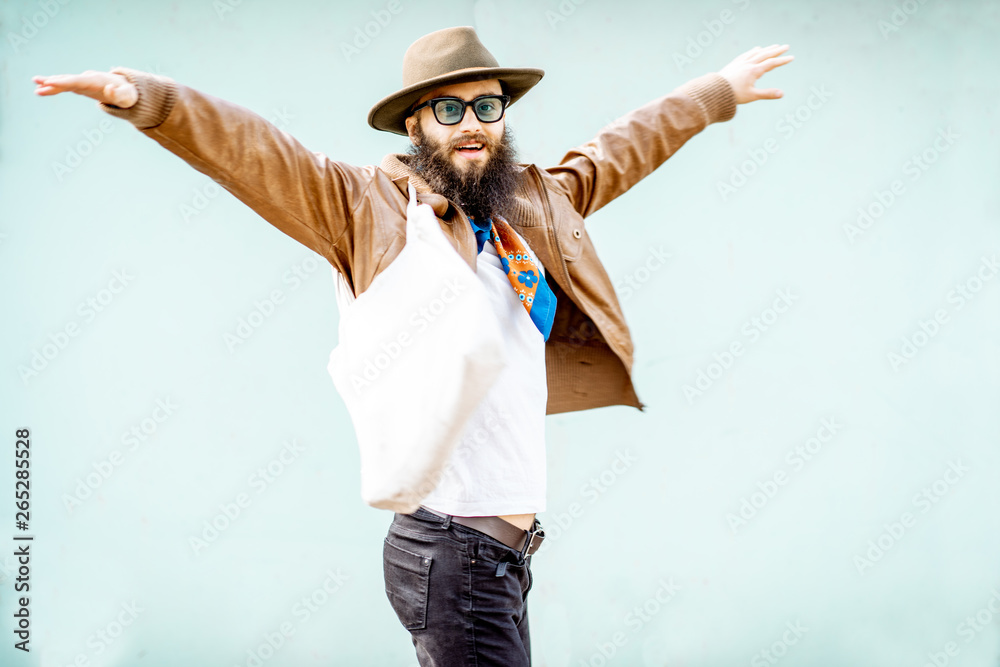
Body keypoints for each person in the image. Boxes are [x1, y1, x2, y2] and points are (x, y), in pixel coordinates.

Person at [32, 25, 793, 666]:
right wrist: (148, 100)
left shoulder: (527, 206)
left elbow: (617, 152)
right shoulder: (367, 210)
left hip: (500, 559)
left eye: (487, 105)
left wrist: (715, 92)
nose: (472, 122)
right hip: (451, 555)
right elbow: (258, 153)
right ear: (415, 125)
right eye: (449, 107)